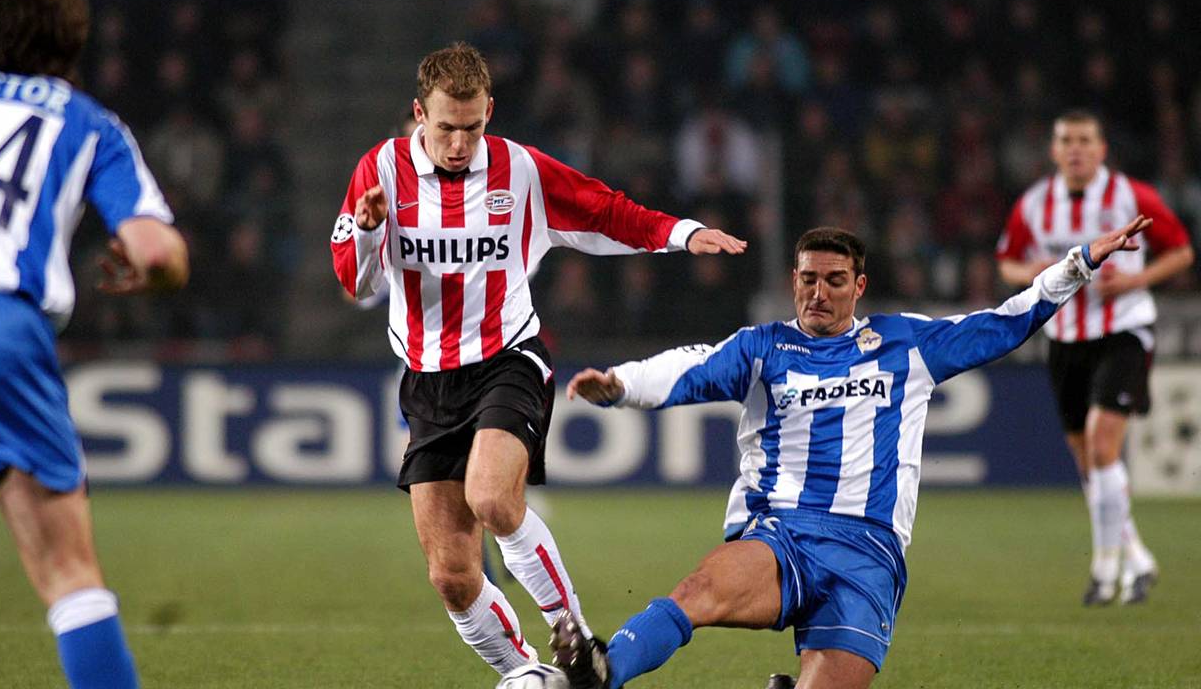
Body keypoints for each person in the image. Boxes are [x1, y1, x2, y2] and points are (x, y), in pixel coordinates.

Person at [554, 219, 1152, 689]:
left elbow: (1004, 323)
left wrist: (1079, 264)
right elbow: (692, 366)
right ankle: (604, 670)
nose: (818, 292)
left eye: (834, 280)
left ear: (858, 286)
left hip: (870, 550)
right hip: (783, 531)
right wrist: (624, 386)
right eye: (808, 279)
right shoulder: (765, 346)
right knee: (698, 592)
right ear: (793, 280)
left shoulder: (904, 343)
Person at [329, 41, 746, 676]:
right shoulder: (379, 172)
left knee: (494, 499)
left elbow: (602, 210)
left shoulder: (520, 170)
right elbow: (355, 286)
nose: (460, 143)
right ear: (419, 114)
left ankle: (570, 634)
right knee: (451, 574)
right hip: (427, 383)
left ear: (489, 111)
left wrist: (682, 233)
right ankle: (525, 670)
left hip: (508, 361)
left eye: (473, 127)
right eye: (446, 128)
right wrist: (365, 229)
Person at [0, 0, 189, 687]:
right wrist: (147, 270)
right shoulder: (87, 122)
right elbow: (158, 250)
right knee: (69, 577)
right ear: (70, 37)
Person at [996, 110, 1194, 605]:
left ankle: (1105, 571)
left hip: (1123, 329)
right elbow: (1006, 263)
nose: (1076, 149)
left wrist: (1133, 280)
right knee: (1090, 464)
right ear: (1054, 149)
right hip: (1063, 336)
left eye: (1085, 140)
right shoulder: (1035, 204)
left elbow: (1182, 251)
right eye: (1067, 140)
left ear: (1102, 149)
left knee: (1104, 446)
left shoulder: (1133, 196)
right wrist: (1034, 272)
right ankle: (1139, 559)